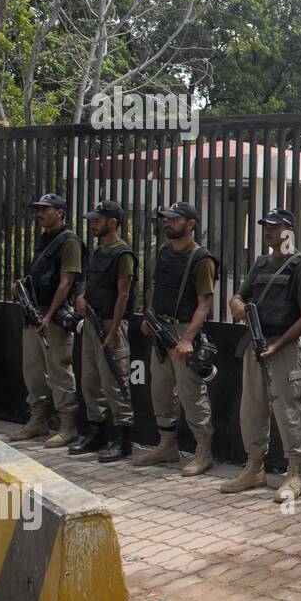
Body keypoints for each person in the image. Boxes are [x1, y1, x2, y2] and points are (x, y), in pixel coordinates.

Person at [219, 208, 301, 502]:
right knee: (252, 407)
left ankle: (295, 473)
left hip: (283, 346)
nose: (268, 232)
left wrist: (277, 345)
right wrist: (236, 304)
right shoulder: (260, 264)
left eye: (274, 227)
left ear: (288, 230)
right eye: (266, 227)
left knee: (288, 408)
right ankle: (254, 467)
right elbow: (240, 295)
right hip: (255, 345)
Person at [133, 202, 218, 474]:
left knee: (191, 393)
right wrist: (149, 316)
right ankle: (167, 445)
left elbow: (204, 305)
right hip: (161, 327)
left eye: (174, 219)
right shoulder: (163, 251)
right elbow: (154, 286)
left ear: (190, 225)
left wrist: (188, 339)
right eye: (166, 219)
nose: (168, 223)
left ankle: (203, 451)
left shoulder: (201, 259)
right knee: (160, 389)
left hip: (183, 330)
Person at [8, 193, 83, 447]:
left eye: (45, 209)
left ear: (60, 212)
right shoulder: (43, 239)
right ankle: (38, 419)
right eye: (38, 210)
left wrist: (49, 316)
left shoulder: (69, 241)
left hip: (54, 316)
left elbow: (66, 282)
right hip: (33, 312)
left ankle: (68, 425)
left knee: (59, 370)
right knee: (33, 370)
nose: (39, 214)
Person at [67, 200, 136, 463]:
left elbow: (124, 295)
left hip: (110, 324)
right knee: (90, 381)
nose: (93, 223)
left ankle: (122, 438)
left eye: (98, 219)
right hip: (92, 323)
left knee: (115, 383)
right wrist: (82, 297)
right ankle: (96, 432)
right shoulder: (99, 251)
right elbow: (90, 282)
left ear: (113, 223)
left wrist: (113, 330)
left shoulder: (123, 254)